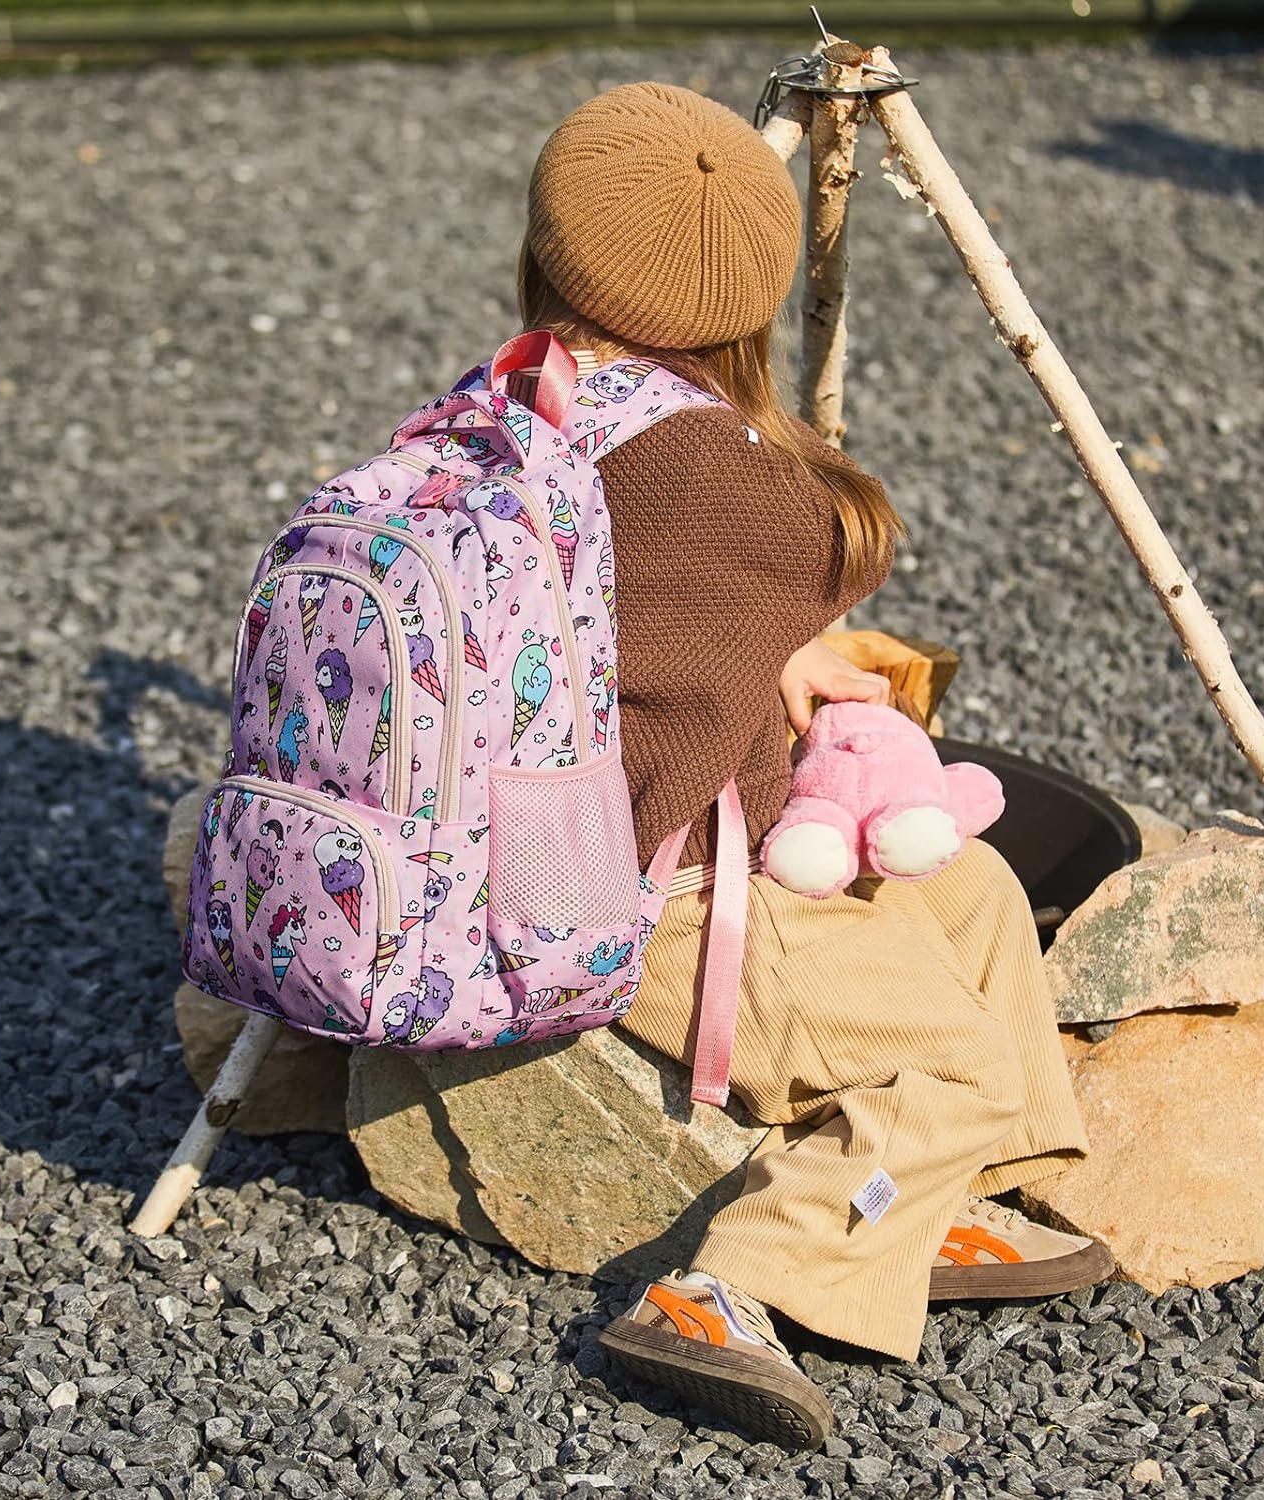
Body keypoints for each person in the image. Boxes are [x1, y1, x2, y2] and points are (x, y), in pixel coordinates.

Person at [517, 81, 1111, 1449]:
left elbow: (651, 608)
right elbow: (846, 544)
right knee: (952, 1059)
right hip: (657, 890)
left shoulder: (525, 395)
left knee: (979, 902)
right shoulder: (736, 481)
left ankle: (948, 1193)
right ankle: (735, 1283)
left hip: (548, 827)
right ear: (752, 284)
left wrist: (763, 650)